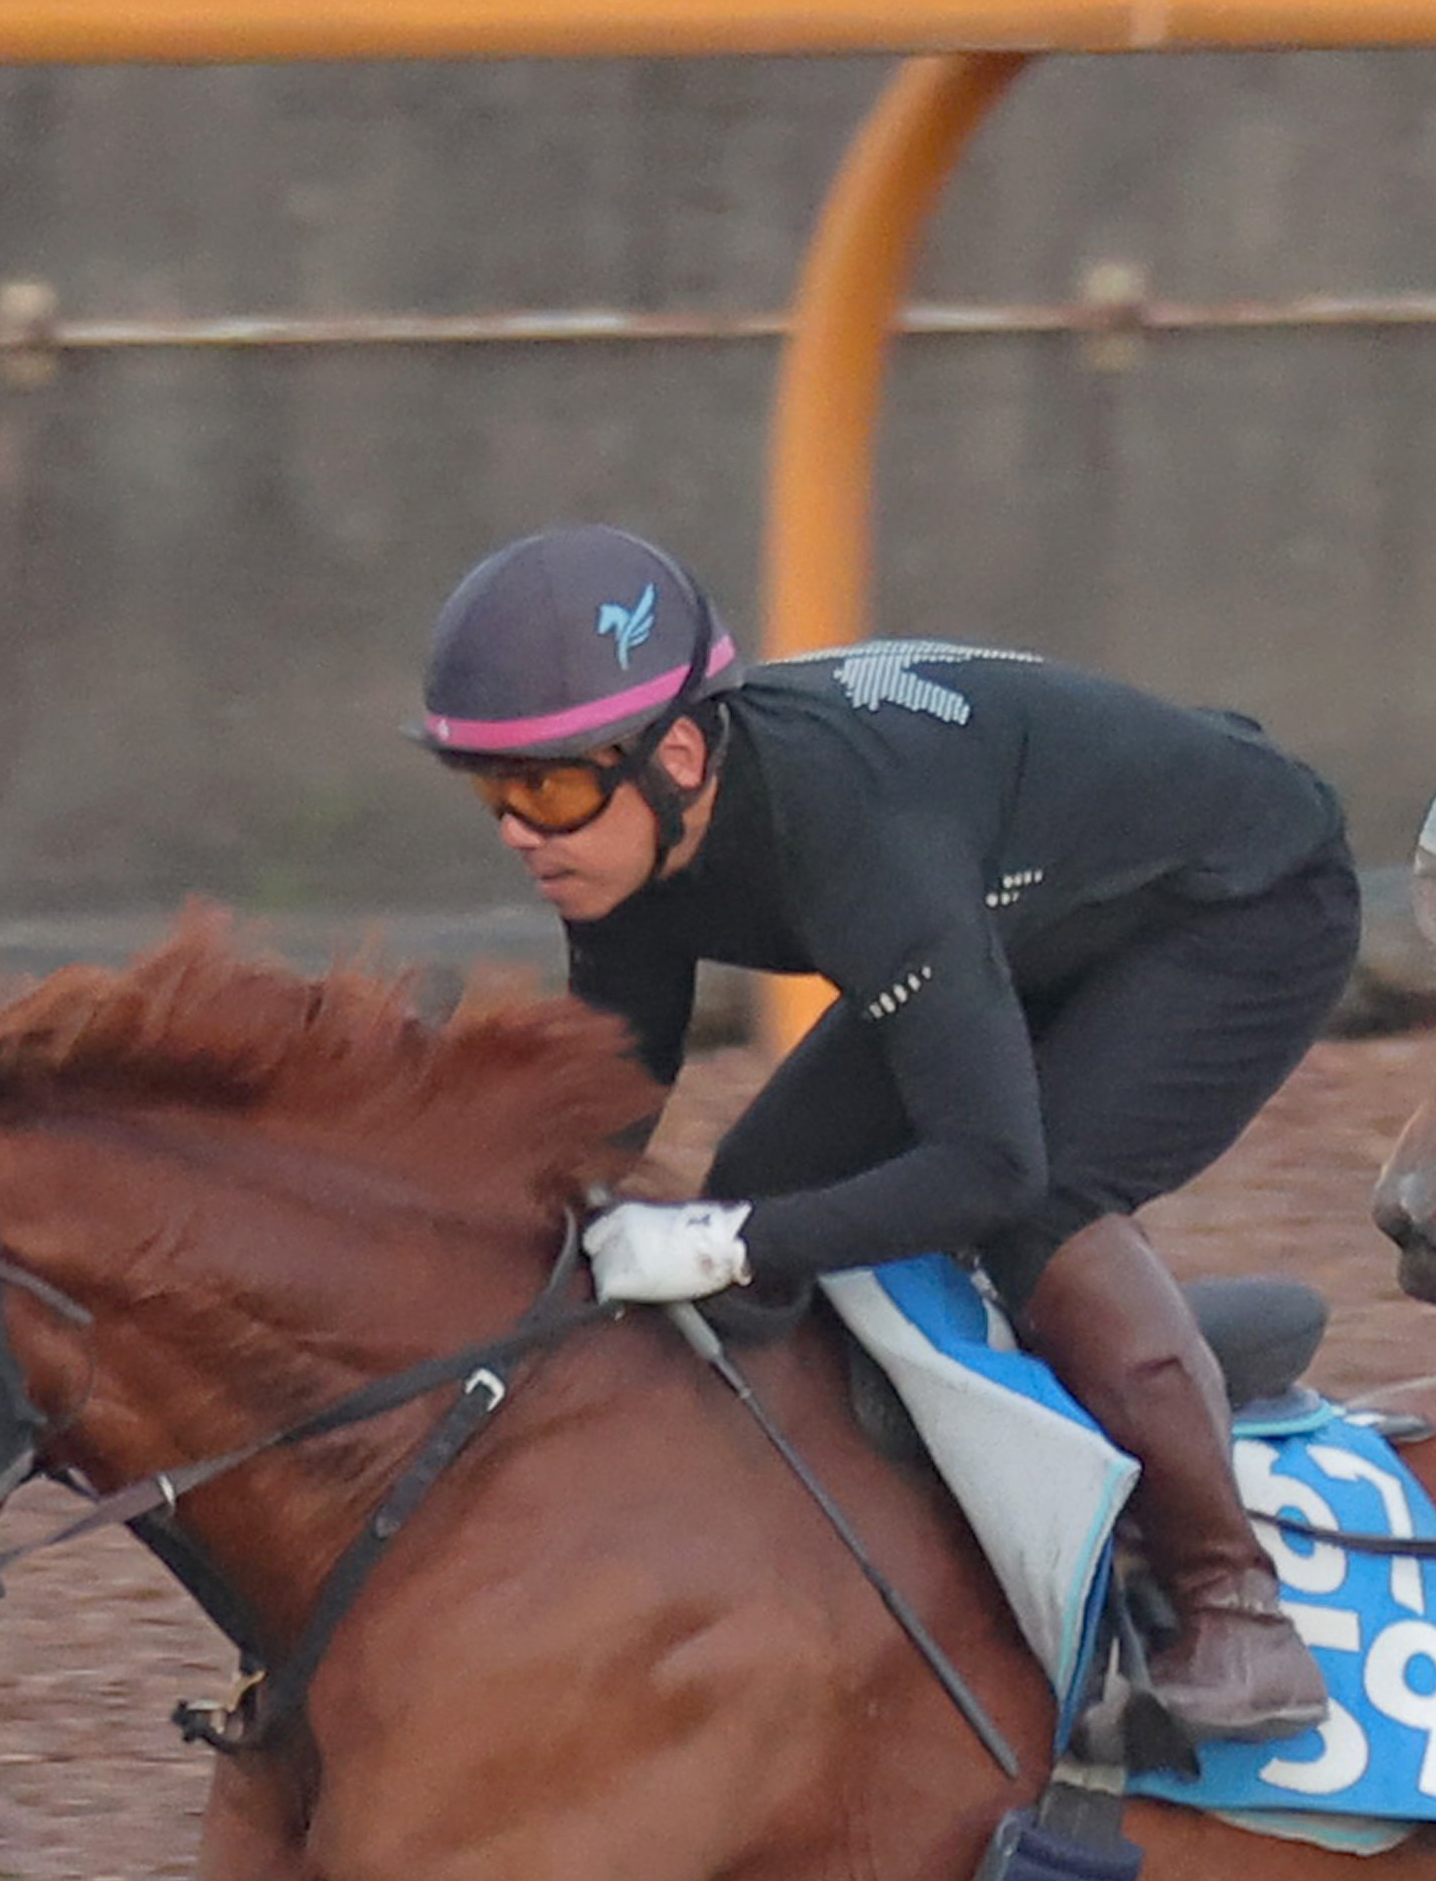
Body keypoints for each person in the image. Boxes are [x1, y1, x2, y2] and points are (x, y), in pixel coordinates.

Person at [413, 524, 1352, 1751]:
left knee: (1035, 1201)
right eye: (493, 794)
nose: (520, 834)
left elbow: (987, 1162)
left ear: (679, 753)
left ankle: (1237, 1607)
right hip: (1029, 907)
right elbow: (606, 1105)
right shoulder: (631, 842)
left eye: (549, 789)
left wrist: (721, 1246)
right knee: (769, 1182)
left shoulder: (849, 833)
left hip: (1236, 906)